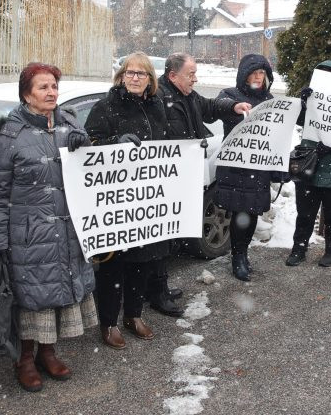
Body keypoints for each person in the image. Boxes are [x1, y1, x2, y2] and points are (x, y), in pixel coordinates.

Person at [0, 62, 98, 391]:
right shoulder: (10, 135)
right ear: (26, 95)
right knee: (32, 299)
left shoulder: (69, 124)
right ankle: (24, 359)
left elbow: (89, 175)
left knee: (58, 293)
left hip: (67, 231)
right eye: (43, 88)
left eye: (54, 87)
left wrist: (85, 142)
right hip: (30, 234)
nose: (51, 93)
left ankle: (49, 353)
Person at [85, 52, 172, 349]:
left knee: (142, 263)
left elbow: (167, 143)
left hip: (146, 202)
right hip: (116, 203)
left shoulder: (157, 107)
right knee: (114, 266)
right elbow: (89, 146)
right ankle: (108, 322)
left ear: (150, 80)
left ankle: (133, 315)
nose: (135, 78)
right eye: (130, 73)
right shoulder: (105, 107)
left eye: (141, 74)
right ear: (121, 76)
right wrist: (114, 144)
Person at [153, 54, 251, 302]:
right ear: (173, 76)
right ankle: (154, 291)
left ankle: (159, 288)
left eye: (195, 74)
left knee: (171, 234)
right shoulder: (158, 98)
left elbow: (208, 107)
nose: (195, 79)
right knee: (161, 238)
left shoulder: (187, 96)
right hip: (165, 179)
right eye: (191, 74)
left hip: (186, 177)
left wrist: (232, 106)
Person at [214, 53, 284, 280]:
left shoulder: (270, 100)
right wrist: (235, 107)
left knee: (252, 212)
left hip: (258, 168)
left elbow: (277, 135)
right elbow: (218, 107)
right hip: (236, 167)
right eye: (253, 73)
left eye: (261, 73)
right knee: (238, 213)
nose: (257, 77)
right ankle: (238, 256)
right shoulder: (230, 95)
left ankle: (243, 255)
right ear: (244, 76)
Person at [286, 60, 331, 268]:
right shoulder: (311, 98)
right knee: (305, 212)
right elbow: (298, 121)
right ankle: (299, 248)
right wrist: (303, 103)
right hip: (310, 163)